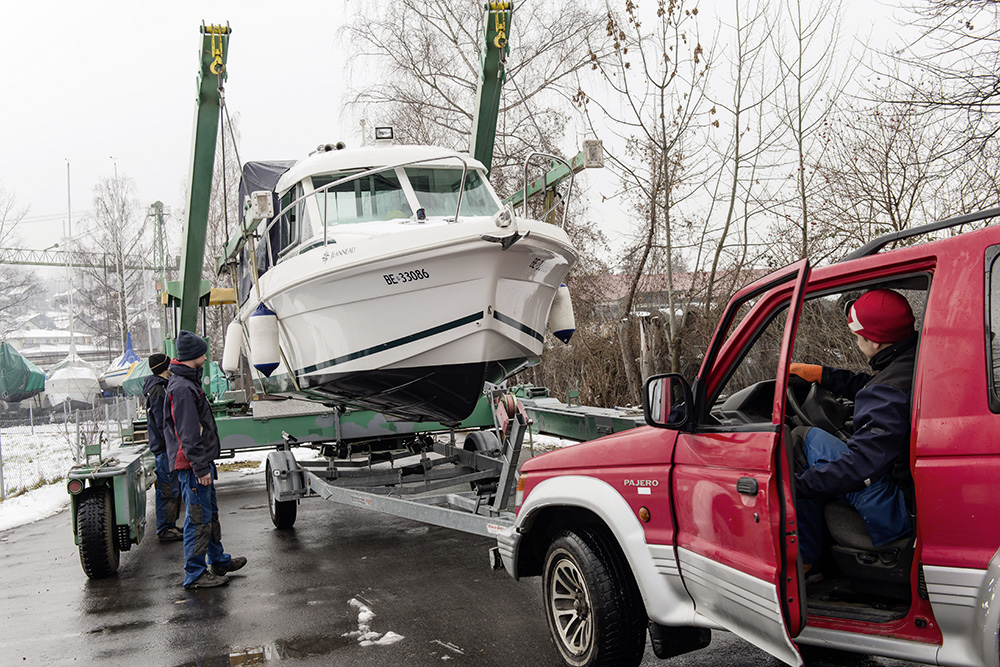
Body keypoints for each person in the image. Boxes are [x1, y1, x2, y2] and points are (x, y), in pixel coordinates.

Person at [790, 289, 918, 577]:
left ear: (873, 341)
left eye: (857, 337)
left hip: (898, 513)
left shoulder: (889, 392)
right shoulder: (914, 358)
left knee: (800, 441)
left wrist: (792, 486)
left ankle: (807, 561)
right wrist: (825, 375)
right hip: (916, 494)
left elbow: (858, 469)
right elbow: (877, 386)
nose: (857, 342)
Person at [163, 330, 247, 589]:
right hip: (192, 465)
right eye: (203, 351)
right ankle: (195, 574)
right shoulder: (183, 389)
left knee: (208, 515)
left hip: (198, 462)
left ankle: (218, 561)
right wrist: (200, 466)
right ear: (194, 356)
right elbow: (188, 434)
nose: (206, 354)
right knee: (198, 519)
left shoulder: (187, 383)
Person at [144, 353, 182, 541]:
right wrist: (171, 444)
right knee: (167, 489)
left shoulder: (159, 387)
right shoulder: (158, 390)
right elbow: (162, 421)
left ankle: (170, 525)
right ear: (164, 367)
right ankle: (165, 528)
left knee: (171, 487)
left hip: (165, 447)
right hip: (165, 448)